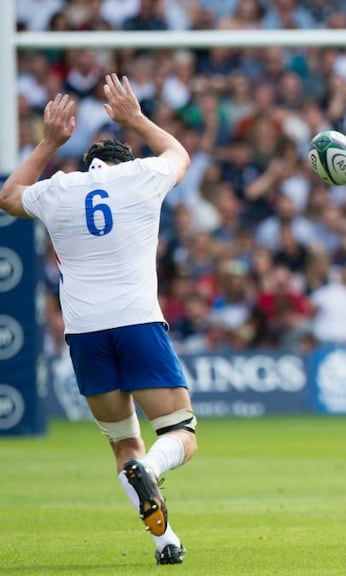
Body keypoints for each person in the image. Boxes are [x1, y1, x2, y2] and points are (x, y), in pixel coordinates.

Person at [0, 75, 196, 565]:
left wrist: (49, 141)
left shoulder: (60, 189)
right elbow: (179, 155)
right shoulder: (142, 177)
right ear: (123, 164)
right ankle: (150, 468)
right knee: (180, 433)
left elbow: (8, 196)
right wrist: (135, 117)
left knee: (122, 444)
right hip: (138, 323)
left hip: (85, 334)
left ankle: (165, 541)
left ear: (87, 166)